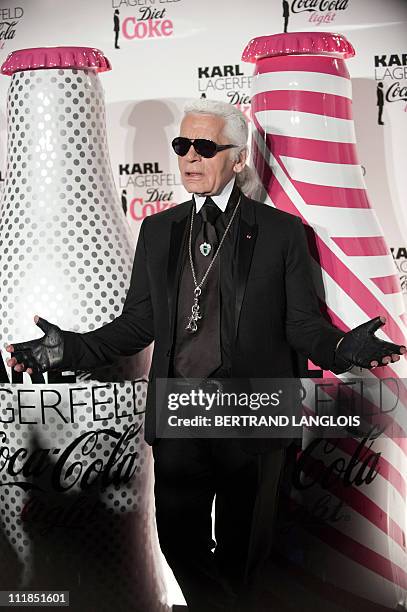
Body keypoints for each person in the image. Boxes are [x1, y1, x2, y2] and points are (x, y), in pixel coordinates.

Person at [5, 99, 405, 611]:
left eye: (205, 147)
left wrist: (342, 347)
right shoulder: (158, 230)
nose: (189, 158)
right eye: (181, 146)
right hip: (180, 417)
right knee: (178, 543)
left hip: (256, 417)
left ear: (238, 159)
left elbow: (301, 325)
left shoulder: (281, 232)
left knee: (245, 557)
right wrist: (71, 348)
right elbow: (138, 324)